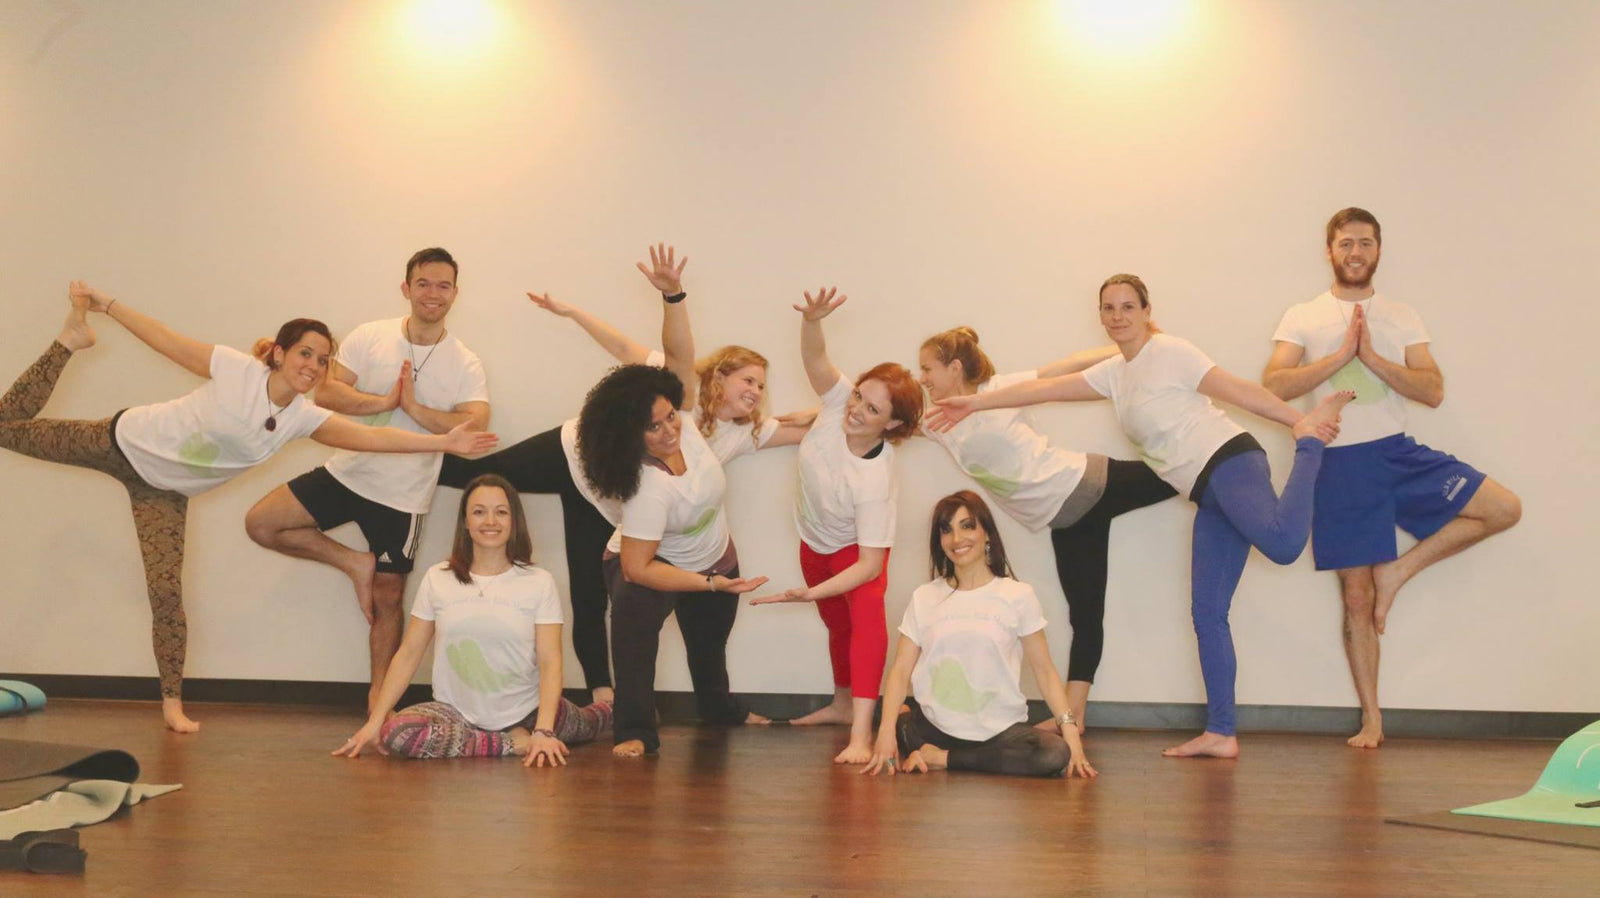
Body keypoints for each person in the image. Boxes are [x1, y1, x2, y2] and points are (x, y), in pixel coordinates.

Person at [0, 283, 497, 732]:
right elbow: (166, 340)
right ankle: (70, 340)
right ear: (279, 353)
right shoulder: (237, 369)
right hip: (117, 441)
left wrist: (446, 444)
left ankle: (172, 705)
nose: (313, 365)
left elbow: (374, 437)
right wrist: (108, 306)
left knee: (165, 591)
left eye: (323, 360)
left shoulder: (303, 417)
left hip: (163, 493)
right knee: (4, 427)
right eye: (305, 353)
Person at [928, 274, 1351, 759]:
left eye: (1128, 307)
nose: (1118, 317)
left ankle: (1311, 447)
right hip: (1204, 491)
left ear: (1147, 311)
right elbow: (1042, 390)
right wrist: (973, 403)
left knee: (1281, 544)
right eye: (1108, 308)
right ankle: (1221, 731)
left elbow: (1235, 390)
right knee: (1208, 613)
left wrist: (1299, 424)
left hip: (1229, 459)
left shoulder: (1171, 351)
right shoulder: (1114, 373)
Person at [441, 244, 805, 705]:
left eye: (762, 386)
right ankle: (409, 451)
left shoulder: (742, 434)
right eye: (748, 380)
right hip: (572, 454)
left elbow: (805, 426)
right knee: (472, 470)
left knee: (591, 591)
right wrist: (577, 311)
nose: (756, 391)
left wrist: (865, 417)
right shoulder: (679, 393)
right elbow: (629, 347)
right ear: (720, 376)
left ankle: (602, 694)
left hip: (609, 499)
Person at [1262, 208, 1521, 749]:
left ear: (1378, 250)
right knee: (1355, 599)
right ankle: (1373, 719)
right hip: (1339, 464)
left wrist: (1372, 357)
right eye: (1345, 243)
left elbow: (1432, 390)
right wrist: (1339, 356)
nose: (1355, 252)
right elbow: (1275, 386)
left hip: (1397, 455)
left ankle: (1399, 572)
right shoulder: (1302, 315)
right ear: (1329, 250)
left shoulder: (1401, 314)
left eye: (1365, 243)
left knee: (1502, 508)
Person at [245, 248, 490, 714]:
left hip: (404, 495)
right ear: (406, 288)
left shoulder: (465, 361)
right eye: (423, 283)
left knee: (389, 596)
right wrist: (385, 401)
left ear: (456, 293)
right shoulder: (369, 336)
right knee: (262, 522)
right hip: (348, 471)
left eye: (442, 285)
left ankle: (380, 700)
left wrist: (416, 410)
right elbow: (328, 390)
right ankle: (355, 563)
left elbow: (474, 423)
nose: (432, 293)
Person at [913, 324, 1177, 732]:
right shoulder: (936, 422)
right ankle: (1074, 717)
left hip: (1088, 482)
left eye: (928, 368)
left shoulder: (999, 390)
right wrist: (830, 415)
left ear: (955, 367)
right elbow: (888, 419)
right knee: (1085, 617)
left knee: (1182, 469)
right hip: (1067, 519)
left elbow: (1067, 368)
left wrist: (1133, 346)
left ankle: (1231, 466)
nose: (923, 378)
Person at [747, 287, 924, 763]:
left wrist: (810, 592)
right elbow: (816, 358)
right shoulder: (837, 403)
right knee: (835, 624)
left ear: (891, 424)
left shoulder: (876, 479)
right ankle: (842, 705)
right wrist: (811, 321)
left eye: (872, 409)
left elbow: (869, 565)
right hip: (815, 542)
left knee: (865, 625)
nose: (857, 409)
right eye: (860, 397)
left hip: (856, 554)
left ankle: (862, 734)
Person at [332, 474, 611, 764]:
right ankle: (509, 743)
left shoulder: (539, 582)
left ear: (514, 521)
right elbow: (409, 654)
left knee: (593, 721)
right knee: (398, 733)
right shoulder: (438, 578)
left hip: (529, 710)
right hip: (456, 716)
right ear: (465, 522)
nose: (490, 521)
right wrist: (375, 722)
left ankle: (612, 707)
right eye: (479, 512)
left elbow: (550, 661)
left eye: (501, 512)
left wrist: (543, 730)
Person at [576, 363, 770, 758]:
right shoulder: (645, 488)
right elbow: (637, 568)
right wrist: (709, 584)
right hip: (647, 562)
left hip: (714, 556)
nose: (670, 431)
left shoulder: (686, 423)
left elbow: (680, 352)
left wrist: (674, 298)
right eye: (654, 427)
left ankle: (718, 711)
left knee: (709, 645)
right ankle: (635, 731)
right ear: (630, 436)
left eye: (669, 417)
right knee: (635, 649)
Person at [861, 491, 1094, 778]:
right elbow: (900, 670)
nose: (956, 539)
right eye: (946, 530)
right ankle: (924, 735)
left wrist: (1071, 735)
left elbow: (1045, 671)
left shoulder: (1017, 595)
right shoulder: (925, 596)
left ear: (987, 534)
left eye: (967, 525)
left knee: (1054, 753)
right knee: (895, 723)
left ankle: (943, 759)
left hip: (999, 731)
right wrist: (884, 733)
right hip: (931, 728)